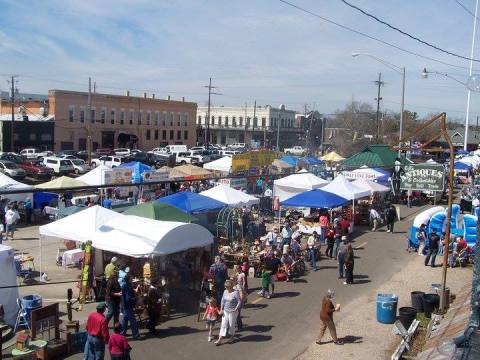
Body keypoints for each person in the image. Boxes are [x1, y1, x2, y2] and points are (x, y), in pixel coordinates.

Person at [215, 280, 241, 346]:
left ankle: (232, 336)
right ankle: (220, 339)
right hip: (225, 311)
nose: (226, 287)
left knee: (231, 325)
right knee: (223, 324)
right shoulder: (225, 291)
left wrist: (236, 308)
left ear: (231, 286)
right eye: (225, 286)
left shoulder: (235, 293)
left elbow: (239, 302)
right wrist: (221, 309)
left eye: (227, 286)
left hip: (233, 312)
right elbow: (222, 301)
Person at [120, 275, 140, 339]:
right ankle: (135, 334)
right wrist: (135, 298)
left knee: (125, 320)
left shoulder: (125, 286)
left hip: (125, 305)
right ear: (128, 279)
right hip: (128, 306)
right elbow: (128, 298)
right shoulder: (127, 287)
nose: (132, 279)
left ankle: (123, 333)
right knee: (133, 321)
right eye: (131, 278)